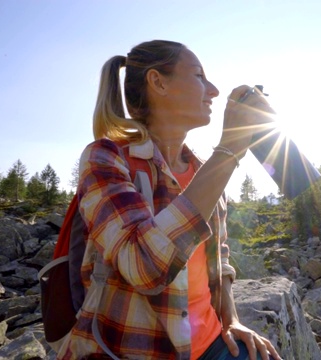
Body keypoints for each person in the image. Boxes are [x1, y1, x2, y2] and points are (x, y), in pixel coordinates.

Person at [57, 40, 281, 360]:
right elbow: (144, 266)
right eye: (199, 76)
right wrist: (229, 149)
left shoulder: (201, 170)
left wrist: (231, 320)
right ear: (158, 81)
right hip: (133, 350)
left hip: (211, 342)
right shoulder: (106, 159)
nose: (214, 90)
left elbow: (218, 261)